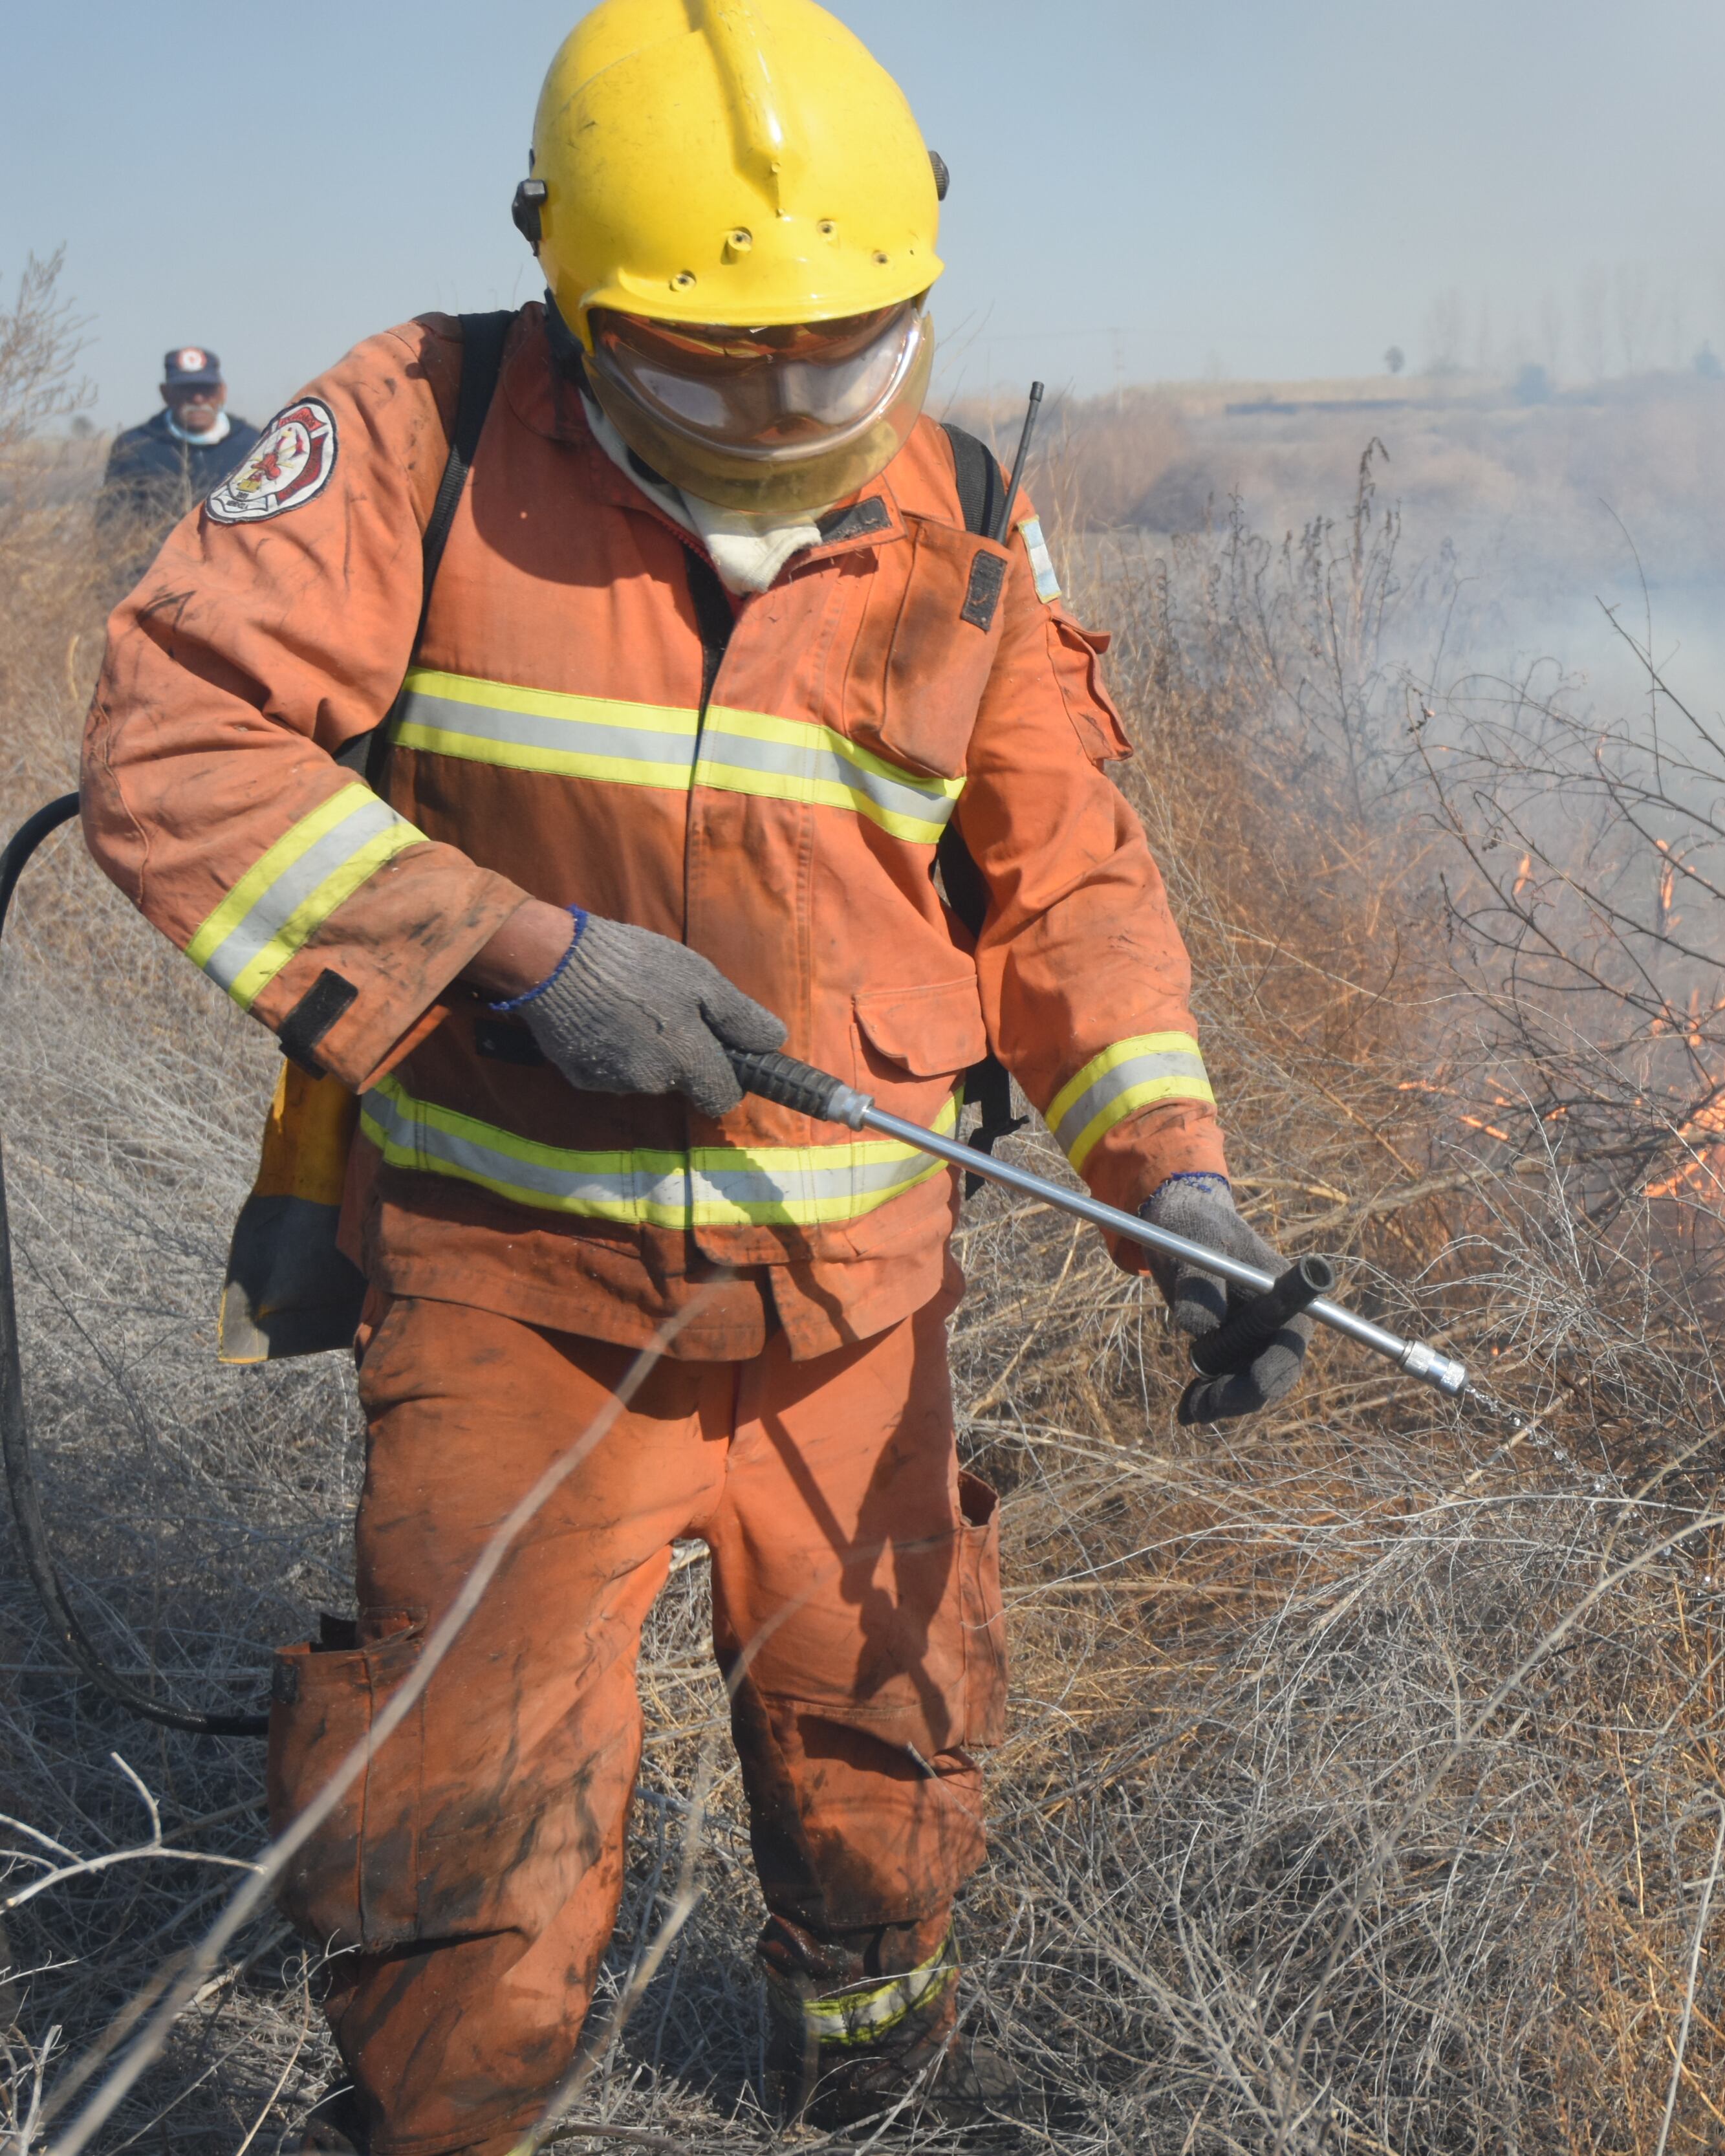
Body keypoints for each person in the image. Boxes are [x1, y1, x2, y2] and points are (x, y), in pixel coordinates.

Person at [80, 2, 1310, 2148]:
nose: (789, 409)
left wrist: (1180, 1180)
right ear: (575, 294)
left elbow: (1070, 888)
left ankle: (871, 2079)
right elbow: (176, 745)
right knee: (460, 1830)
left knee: (887, 1761)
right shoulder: (415, 434)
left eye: (841, 356)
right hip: (516, 1295)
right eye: (711, 363)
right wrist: (515, 953)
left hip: (857, 1324)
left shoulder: (972, 509)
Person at [97, 345, 259, 530]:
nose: (198, 399)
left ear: (222, 392)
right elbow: (112, 526)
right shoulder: (135, 447)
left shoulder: (253, 445)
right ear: (166, 394)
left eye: (206, 390)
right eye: (187, 390)